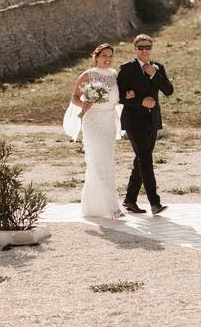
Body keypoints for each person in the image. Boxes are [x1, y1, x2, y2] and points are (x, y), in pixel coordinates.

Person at [62, 43, 123, 218]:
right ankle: (111, 208)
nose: (108, 59)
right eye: (104, 55)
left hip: (109, 121)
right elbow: (74, 97)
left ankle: (93, 207)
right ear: (97, 57)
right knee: (97, 161)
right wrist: (83, 104)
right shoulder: (87, 75)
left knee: (107, 162)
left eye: (110, 56)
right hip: (93, 121)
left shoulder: (113, 74)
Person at [117, 34, 174, 215]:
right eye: (140, 47)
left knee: (141, 160)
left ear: (151, 48)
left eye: (147, 47)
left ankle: (130, 199)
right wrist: (140, 101)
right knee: (146, 160)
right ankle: (154, 203)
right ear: (135, 49)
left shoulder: (158, 67)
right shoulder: (126, 69)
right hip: (133, 122)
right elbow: (119, 96)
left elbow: (169, 91)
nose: (144, 50)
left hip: (152, 121)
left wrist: (154, 74)